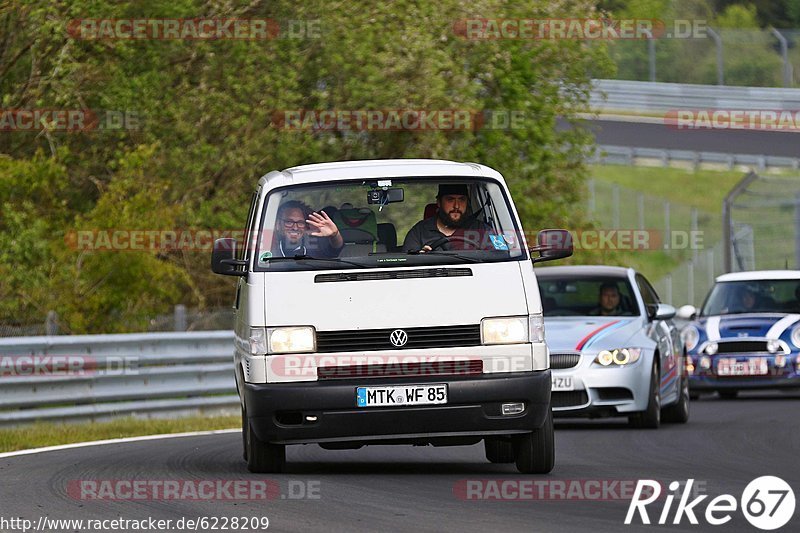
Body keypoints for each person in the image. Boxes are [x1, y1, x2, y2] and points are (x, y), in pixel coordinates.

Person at [403, 184, 491, 253]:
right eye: (450, 199)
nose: (456, 206)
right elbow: (407, 264)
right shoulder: (420, 231)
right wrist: (421, 257)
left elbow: (500, 259)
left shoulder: (482, 229)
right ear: (439, 203)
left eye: (461, 200)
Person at [270, 200, 344, 258]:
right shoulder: (269, 248)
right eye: (289, 222)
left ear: (306, 226)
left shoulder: (316, 246)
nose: (295, 228)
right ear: (278, 225)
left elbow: (335, 249)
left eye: (300, 223)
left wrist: (335, 235)